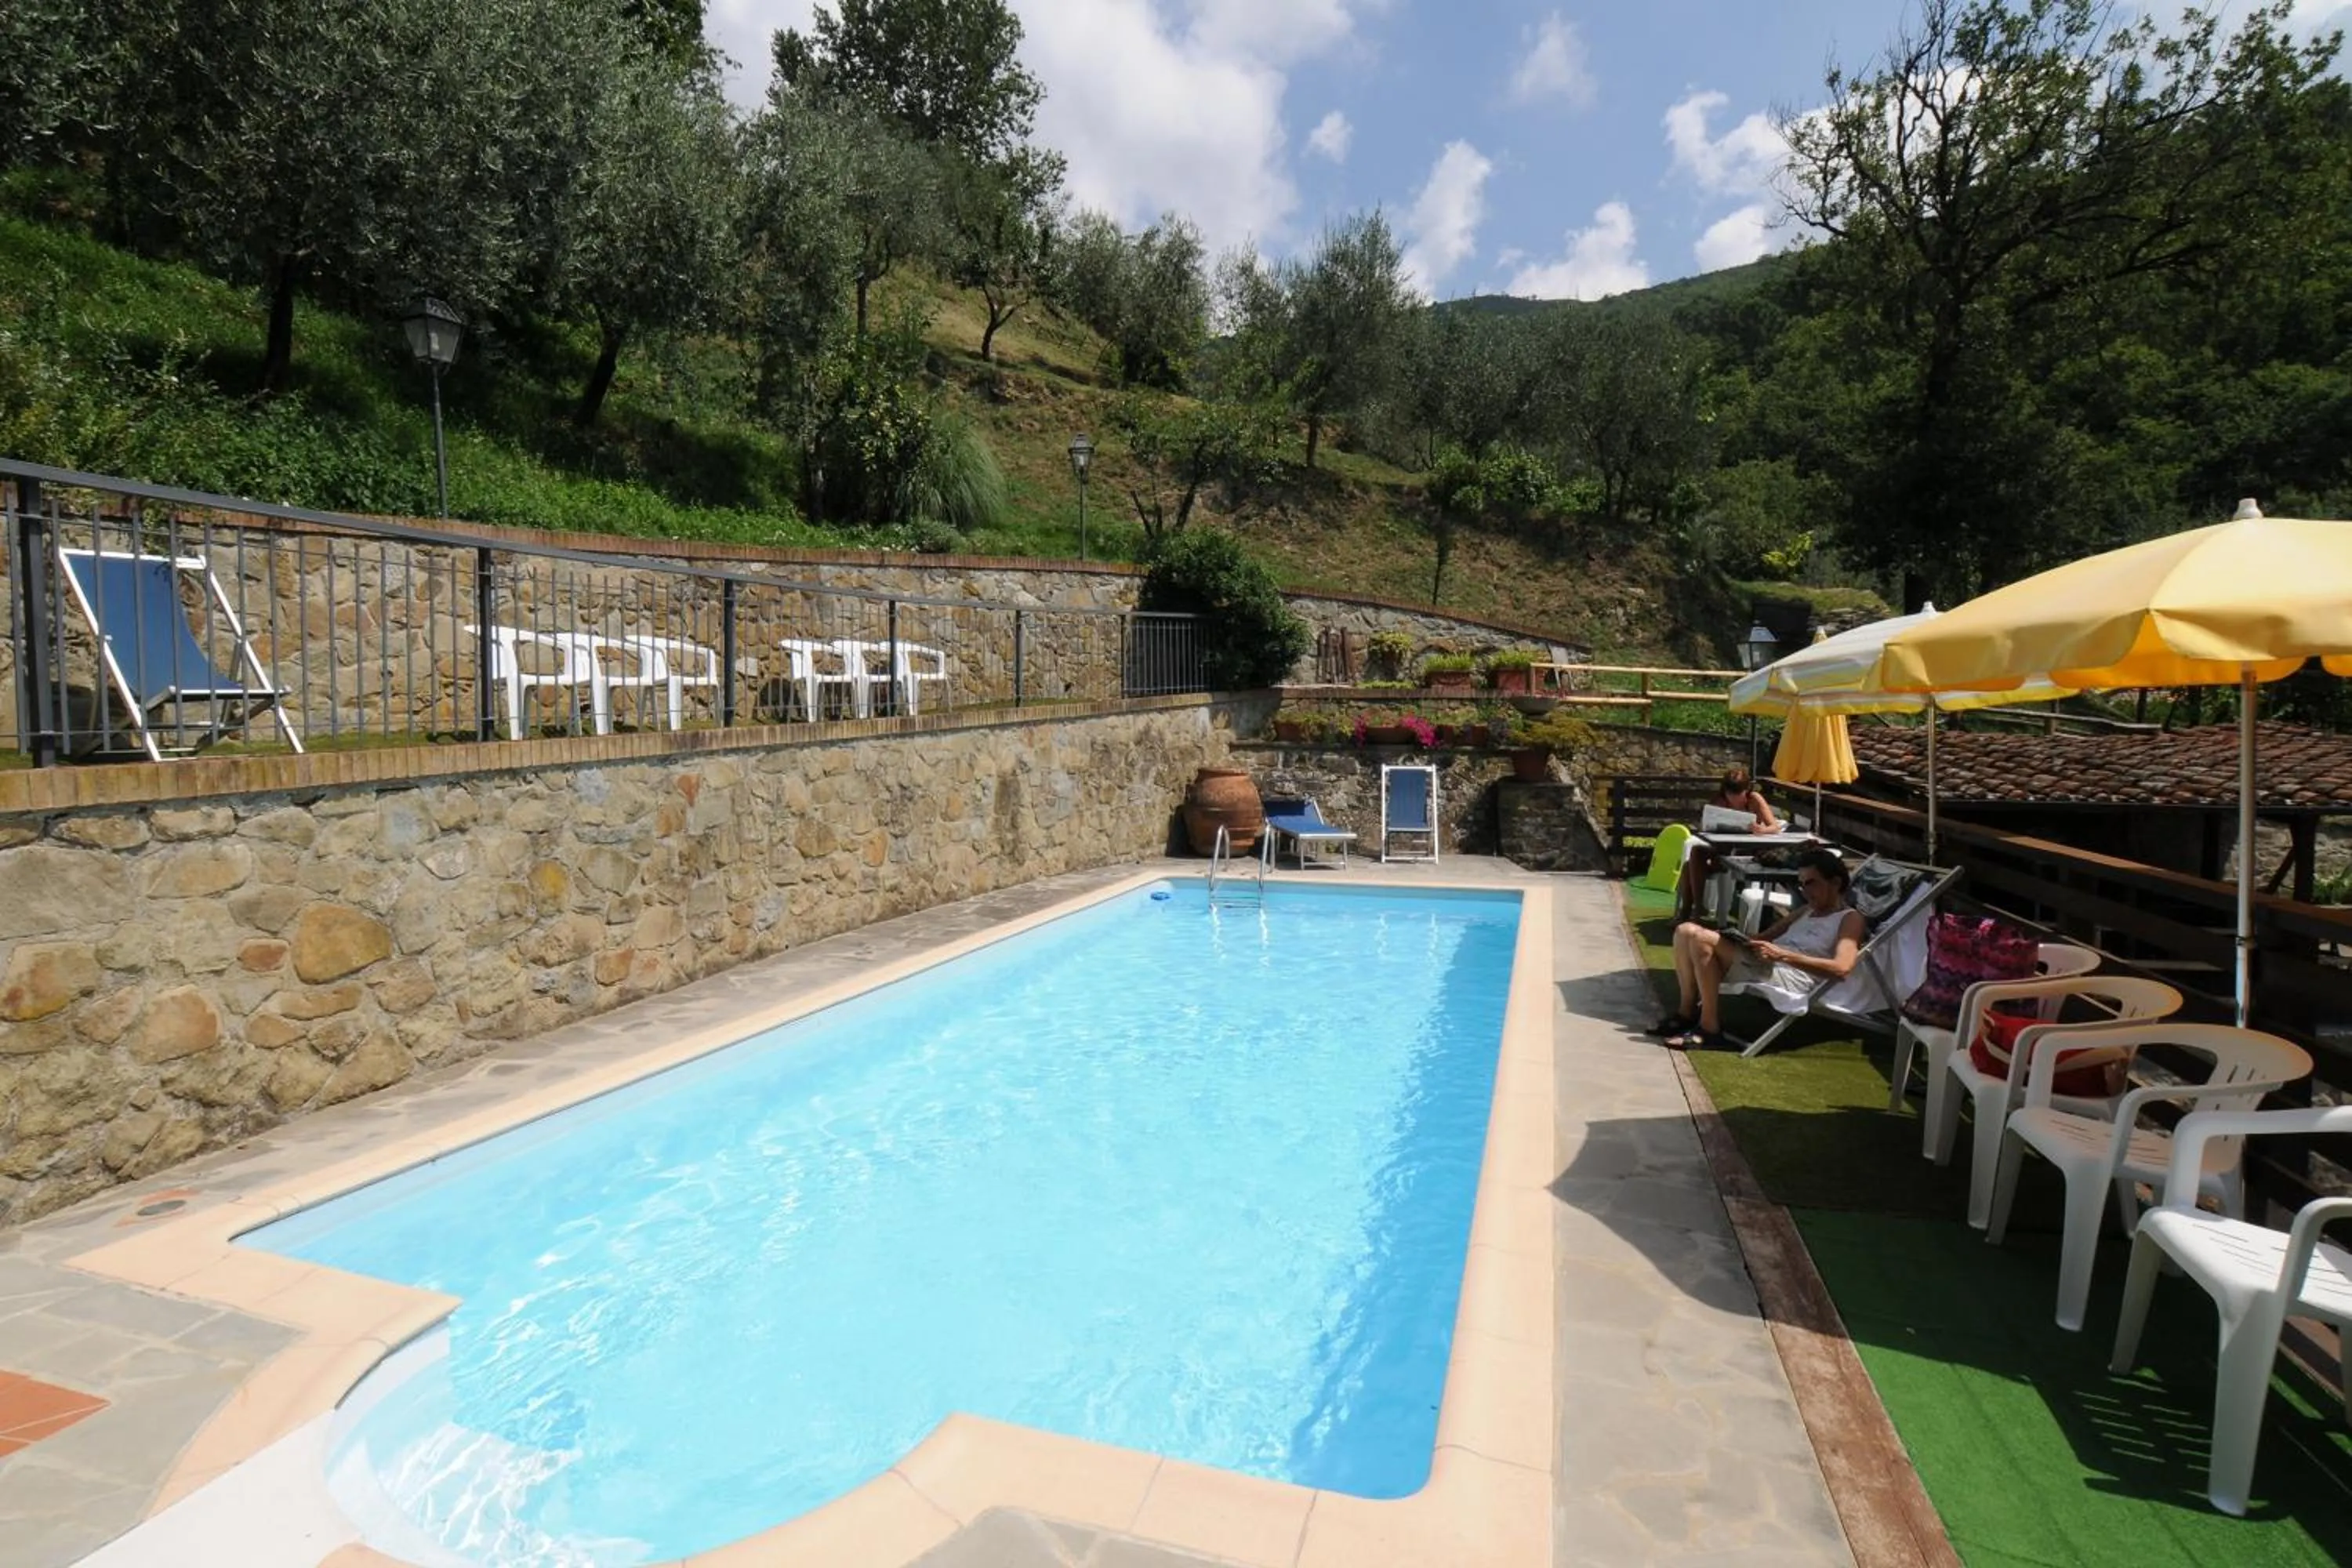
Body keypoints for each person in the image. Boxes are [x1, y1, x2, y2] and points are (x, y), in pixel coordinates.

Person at [1653, 848, 1863, 1050]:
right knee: (1685, 931)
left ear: (1835, 882)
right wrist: (1733, 938)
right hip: (1769, 963)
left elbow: (1842, 968)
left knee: (1701, 939)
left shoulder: (1850, 919)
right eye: (1801, 885)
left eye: (1811, 883)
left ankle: (1709, 1028)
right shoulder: (1807, 910)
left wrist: (1782, 955)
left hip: (1794, 977)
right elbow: (1763, 937)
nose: (1805, 891)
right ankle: (1686, 1013)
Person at [1673, 767, 1782, 918]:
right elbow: (1706, 824)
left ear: (1747, 789)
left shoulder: (1755, 799)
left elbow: (1775, 827)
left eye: (1739, 794)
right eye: (1730, 794)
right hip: (1723, 849)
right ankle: (1695, 908)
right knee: (1696, 853)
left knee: (1689, 866)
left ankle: (1691, 912)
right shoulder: (1720, 800)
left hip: (1746, 853)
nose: (1734, 799)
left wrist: (1761, 830)